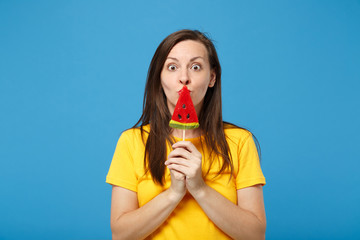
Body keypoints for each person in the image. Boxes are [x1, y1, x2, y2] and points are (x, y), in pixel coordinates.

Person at [106, 29, 266, 240]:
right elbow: (121, 236)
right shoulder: (132, 142)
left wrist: (199, 187)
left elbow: (255, 235)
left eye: (195, 67)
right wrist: (174, 193)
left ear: (212, 77)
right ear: (159, 78)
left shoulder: (239, 141)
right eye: (172, 67)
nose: (184, 78)